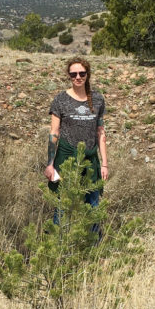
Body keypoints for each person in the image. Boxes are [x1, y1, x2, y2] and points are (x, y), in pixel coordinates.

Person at [44, 57, 108, 213]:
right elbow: (54, 132)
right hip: (66, 157)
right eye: (74, 74)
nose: (78, 77)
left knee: (92, 206)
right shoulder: (61, 99)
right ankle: (61, 236)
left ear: (87, 74)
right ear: (69, 76)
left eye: (82, 73)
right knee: (63, 205)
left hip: (90, 158)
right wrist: (50, 163)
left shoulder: (98, 99)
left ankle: (93, 237)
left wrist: (104, 164)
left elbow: (100, 132)